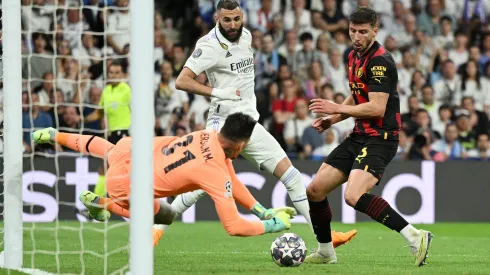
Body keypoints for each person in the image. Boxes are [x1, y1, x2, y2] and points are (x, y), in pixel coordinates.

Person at [170, 0, 357, 247]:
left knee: (291, 175)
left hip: (250, 124)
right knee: (201, 185)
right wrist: (218, 92)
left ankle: (325, 238)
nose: (233, 24)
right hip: (223, 125)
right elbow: (182, 81)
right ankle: (155, 229)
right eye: (227, 19)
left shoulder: (247, 36)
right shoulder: (208, 45)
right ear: (217, 17)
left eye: (237, 19)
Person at [32, 113, 295, 245]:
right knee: (165, 215)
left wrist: (263, 211)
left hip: (131, 154)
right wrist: (273, 225)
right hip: (126, 185)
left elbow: (233, 181)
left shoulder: (207, 134)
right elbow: (234, 226)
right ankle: (103, 204)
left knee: (105, 148)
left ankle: (56, 135)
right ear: (241, 144)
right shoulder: (213, 168)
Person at [305, 7, 433, 266]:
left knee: (352, 196)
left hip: (382, 138)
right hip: (359, 135)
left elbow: (376, 108)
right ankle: (326, 251)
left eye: (363, 32)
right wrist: (334, 119)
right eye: (353, 31)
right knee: (315, 190)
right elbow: (357, 93)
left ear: (375, 31)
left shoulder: (380, 61)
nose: (356, 36)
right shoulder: (353, 55)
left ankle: (415, 235)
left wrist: (336, 108)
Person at [85, 59, 131, 199]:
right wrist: (82, 121)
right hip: (112, 136)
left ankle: (95, 203)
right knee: (108, 170)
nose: (114, 75)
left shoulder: (126, 90)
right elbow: (100, 112)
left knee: (105, 169)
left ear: (123, 74)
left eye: (117, 73)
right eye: (111, 73)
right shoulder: (106, 91)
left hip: (124, 134)